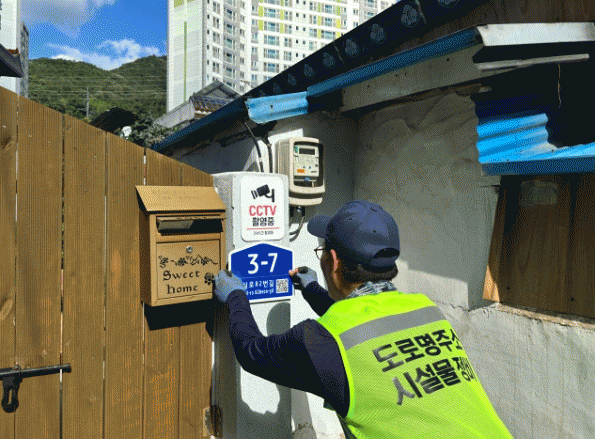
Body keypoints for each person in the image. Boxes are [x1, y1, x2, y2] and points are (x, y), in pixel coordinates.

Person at [214, 199, 513, 439]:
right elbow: (359, 332)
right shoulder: (425, 310)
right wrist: (313, 290)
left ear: (333, 261)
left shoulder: (318, 340)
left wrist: (236, 296)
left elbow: (252, 352)